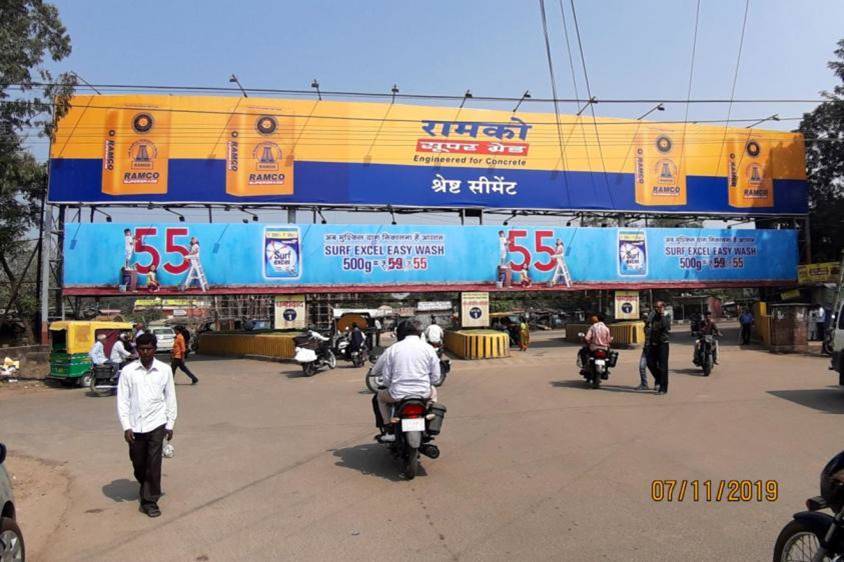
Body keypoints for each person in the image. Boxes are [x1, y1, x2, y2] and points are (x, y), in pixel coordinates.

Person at [117, 332, 177, 518]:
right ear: (137, 350)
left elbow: (170, 397)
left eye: (149, 349)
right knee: (139, 463)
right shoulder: (128, 371)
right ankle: (145, 484)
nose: (145, 352)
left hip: (157, 423)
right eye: (141, 349)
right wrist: (126, 426)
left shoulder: (164, 370)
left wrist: (170, 423)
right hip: (135, 426)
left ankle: (149, 501)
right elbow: (122, 400)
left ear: (154, 349)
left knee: (153, 463)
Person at [371, 320, 441, 442]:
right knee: (433, 391)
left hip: (397, 394)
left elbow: (386, 378)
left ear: (400, 334)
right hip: (423, 393)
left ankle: (388, 426)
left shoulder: (392, 349)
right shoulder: (428, 349)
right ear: (419, 333)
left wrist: (390, 384)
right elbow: (435, 377)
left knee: (380, 398)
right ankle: (429, 415)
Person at [645, 301, 671, 395]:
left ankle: (663, 388)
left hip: (663, 343)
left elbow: (666, 326)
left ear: (663, 307)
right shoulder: (652, 314)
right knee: (650, 363)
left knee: (663, 366)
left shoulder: (667, 315)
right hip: (652, 342)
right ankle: (659, 378)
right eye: (656, 307)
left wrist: (662, 314)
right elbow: (647, 326)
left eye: (659, 307)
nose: (657, 308)